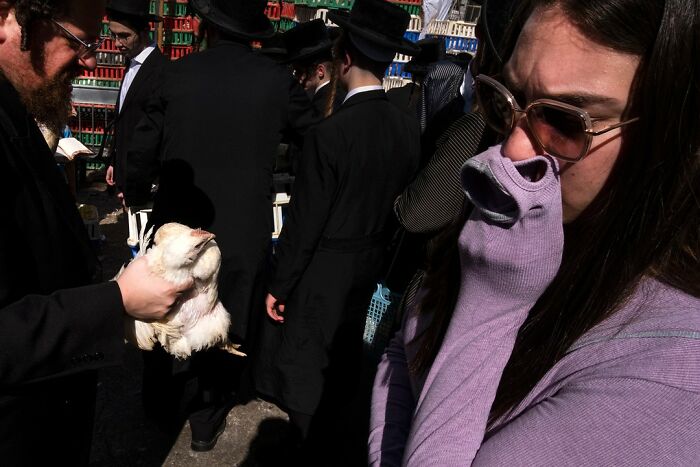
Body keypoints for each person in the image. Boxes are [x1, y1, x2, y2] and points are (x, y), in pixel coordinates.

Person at [369, 0, 700, 465]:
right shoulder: (542, 227)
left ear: (670, 131)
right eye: (504, 101)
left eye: (566, 121)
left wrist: (490, 300)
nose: (513, 150)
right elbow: (407, 347)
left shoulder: (671, 378)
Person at [0, 0, 189, 464]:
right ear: (7, 19)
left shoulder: (18, 108)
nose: (89, 60)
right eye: (77, 42)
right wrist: (116, 300)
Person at [126, 0, 317, 452]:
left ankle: (158, 400)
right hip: (243, 226)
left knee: (162, 308)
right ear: (253, 33)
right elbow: (314, 137)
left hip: (176, 217)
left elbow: (141, 151)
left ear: (203, 27)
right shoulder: (276, 81)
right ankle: (207, 418)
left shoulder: (173, 74)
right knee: (224, 317)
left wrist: (137, 192)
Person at [254, 0, 420, 463]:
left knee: (309, 372)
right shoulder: (407, 127)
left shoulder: (331, 134)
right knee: (349, 368)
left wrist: (280, 284)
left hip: (324, 270)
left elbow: (304, 224)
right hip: (372, 266)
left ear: (343, 58)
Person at [104, 0, 168, 211]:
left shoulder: (160, 71)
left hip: (143, 183)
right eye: (114, 35)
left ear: (143, 31)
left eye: (124, 36)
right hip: (127, 174)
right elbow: (125, 118)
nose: (117, 43)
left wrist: (135, 187)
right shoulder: (131, 63)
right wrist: (115, 161)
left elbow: (152, 137)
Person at [283, 19, 344, 116]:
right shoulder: (340, 95)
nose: (298, 79)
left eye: (299, 72)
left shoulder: (318, 107)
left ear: (320, 71)